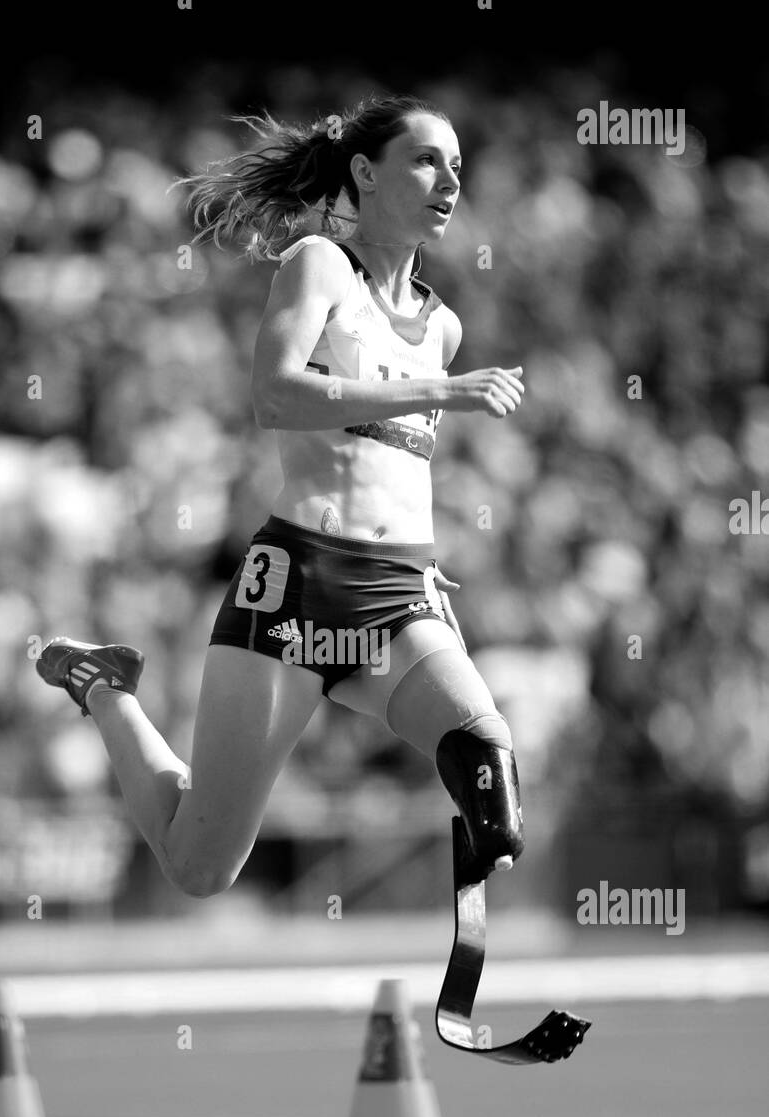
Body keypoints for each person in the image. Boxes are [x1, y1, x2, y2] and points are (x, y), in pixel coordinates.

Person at [36, 94, 526, 900]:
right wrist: (442, 390)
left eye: (458, 167)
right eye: (427, 160)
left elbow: (400, 466)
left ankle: (469, 975)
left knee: (488, 768)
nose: (449, 180)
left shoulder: (445, 326)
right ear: (365, 173)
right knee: (200, 868)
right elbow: (276, 397)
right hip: (296, 587)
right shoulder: (320, 264)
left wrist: (432, 571)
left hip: (400, 590)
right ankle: (102, 688)